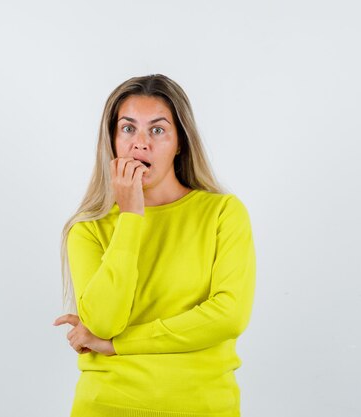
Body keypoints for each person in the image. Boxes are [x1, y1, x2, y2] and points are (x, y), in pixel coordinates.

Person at [53, 74, 257, 417]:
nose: (140, 143)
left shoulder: (224, 213)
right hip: (106, 406)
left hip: (203, 407)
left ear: (180, 142)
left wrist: (118, 345)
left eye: (158, 130)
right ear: (113, 140)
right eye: (128, 128)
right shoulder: (87, 229)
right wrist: (131, 216)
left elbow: (228, 317)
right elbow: (103, 323)